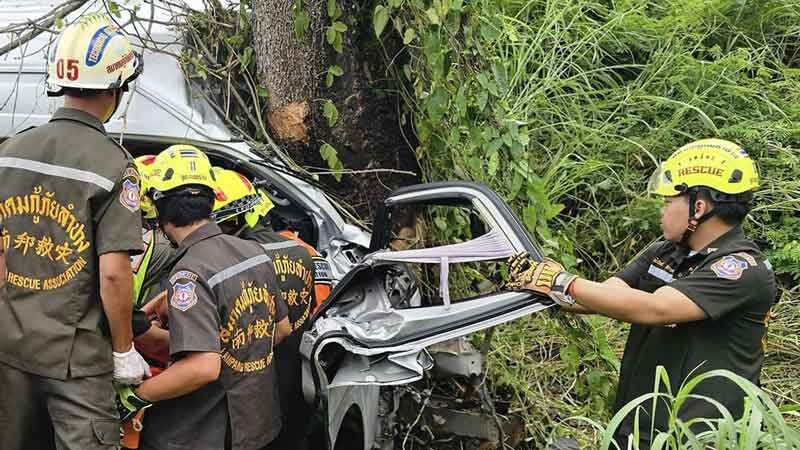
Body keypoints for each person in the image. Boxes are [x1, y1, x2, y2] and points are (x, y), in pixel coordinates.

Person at [508, 138, 777, 449]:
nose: (661, 211)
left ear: (699, 207)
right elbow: (611, 294)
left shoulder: (741, 268)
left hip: (698, 438)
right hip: (639, 425)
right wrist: (548, 287)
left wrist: (563, 282)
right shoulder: (667, 252)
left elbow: (655, 309)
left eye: (668, 201)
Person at [0, 16, 149, 450]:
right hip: (77, 365)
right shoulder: (113, 166)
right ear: (116, 88)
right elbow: (115, 275)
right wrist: (123, 351)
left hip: (9, 352)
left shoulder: (9, 153)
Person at [117, 145, 292, 450]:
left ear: (160, 207)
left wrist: (137, 395)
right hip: (257, 424)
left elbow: (202, 367)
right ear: (211, 202)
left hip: (201, 433)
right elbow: (281, 329)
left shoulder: (189, 274)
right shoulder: (253, 252)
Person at [212, 167, 330, 450]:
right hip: (296, 382)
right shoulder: (307, 252)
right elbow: (322, 312)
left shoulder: (229, 264)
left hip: (243, 396)